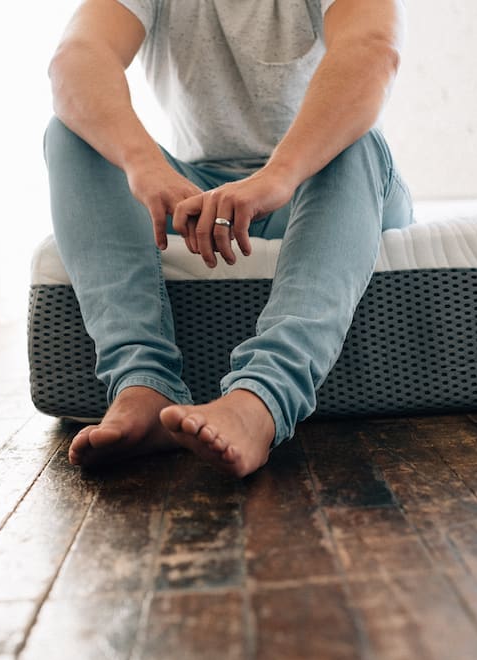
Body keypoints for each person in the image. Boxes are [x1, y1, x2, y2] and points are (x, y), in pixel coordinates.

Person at [45, 0, 412, 477]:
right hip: (203, 197)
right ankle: (143, 383)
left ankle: (262, 398)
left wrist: (278, 176)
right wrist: (145, 166)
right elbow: (77, 56)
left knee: (356, 142)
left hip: (315, 184)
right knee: (71, 133)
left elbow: (372, 49)